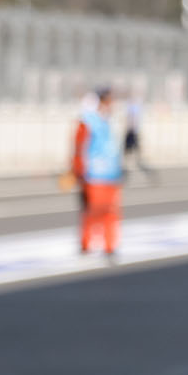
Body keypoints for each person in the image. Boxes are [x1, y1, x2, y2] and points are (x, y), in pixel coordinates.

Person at [71, 87, 124, 258]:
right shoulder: (88, 121)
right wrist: (78, 170)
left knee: (110, 212)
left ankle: (109, 246)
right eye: (109, 101)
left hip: (110, 175)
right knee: (92, 211)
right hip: (93, 175)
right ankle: (86, 244)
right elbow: (79, 147)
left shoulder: (107, 121)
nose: (112, 105)